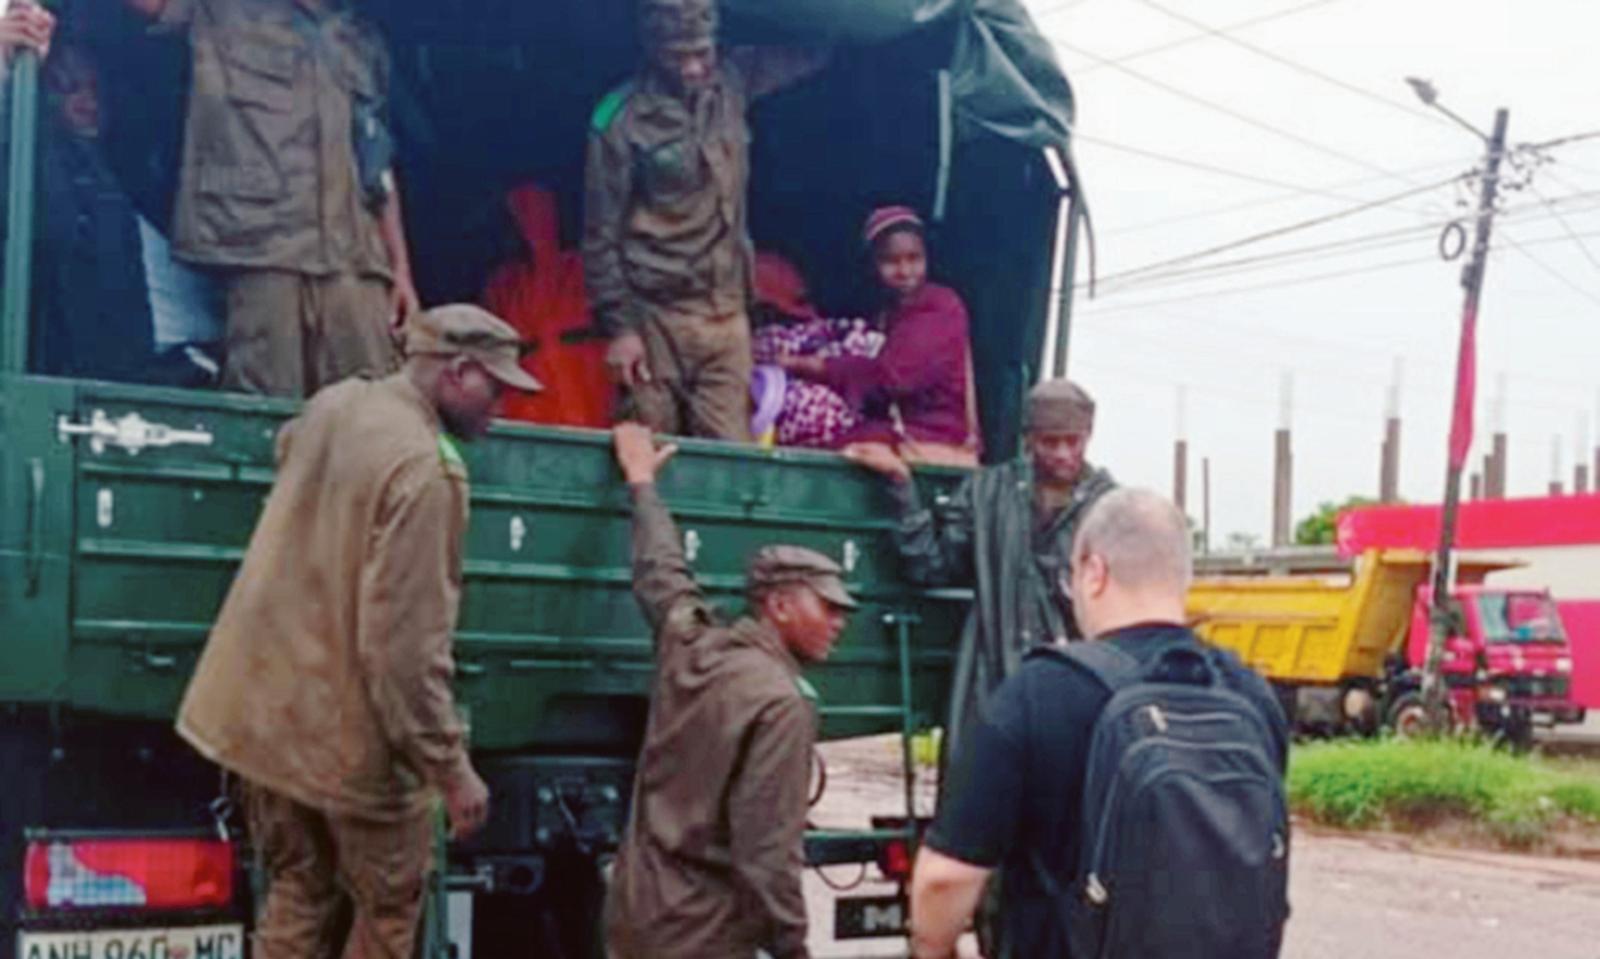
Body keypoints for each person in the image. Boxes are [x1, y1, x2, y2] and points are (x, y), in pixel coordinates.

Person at [175, 305, 540, 958]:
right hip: (348, 743)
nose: (502, 407)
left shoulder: (337, 404)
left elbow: (289, 448)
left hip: (266, 717)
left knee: (298, 888)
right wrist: (452, 770)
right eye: (496, 386)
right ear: (457, 372)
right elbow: (405, 653)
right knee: (388, 910)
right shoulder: (429, 471)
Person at [908, 489, 1290, 959]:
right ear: (1182, 578)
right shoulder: (1249, 695)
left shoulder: (1038, 692)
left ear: (1093, 572)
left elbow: (946, 879)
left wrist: (933, 949)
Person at [605, 421, 857, 959]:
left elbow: (661, 574)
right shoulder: (782, 703)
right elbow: (766, 851)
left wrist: (642, 484)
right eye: (828, 607)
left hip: (636, 916)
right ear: (780, 606)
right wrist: (793, 947)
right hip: (706, 936)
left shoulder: (693, 646)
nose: (840, 622)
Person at [126, 0, 420, 398]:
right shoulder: (221, 10)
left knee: (372, 414)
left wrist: (400, 270)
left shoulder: (360, 38)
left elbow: (378, 162)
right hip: (262, 252)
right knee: (268, 416)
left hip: (356, 261)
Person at [583, 0, 827, 441]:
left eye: (703, 53)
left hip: (725, 316)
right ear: (652, 49)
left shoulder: (734, 80)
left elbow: (817, 47)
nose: (694, 68)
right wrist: (620, 330)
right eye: (678, 56)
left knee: (729, 466)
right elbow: (599, 236)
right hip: (654, 318)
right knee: (650, 452)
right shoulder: (620, 119)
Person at [846, 378, 1116, 760]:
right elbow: (932, 566)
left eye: (1072, 442)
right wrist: (902, 487)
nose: (1061, 453)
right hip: (990, 687)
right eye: (1048, 442)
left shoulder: (1112, 510)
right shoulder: (987, 493)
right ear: (1027, 439)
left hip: (1072, 690)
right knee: (976, 806)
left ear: (1088, 437)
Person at [778, 206, 978, 465]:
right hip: (897, 432)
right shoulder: (887, 311)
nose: (905, 272)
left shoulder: (941, 307)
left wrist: (813, 366)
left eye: (914, 259)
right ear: (873, 264)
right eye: (891, 262)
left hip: (932, 439)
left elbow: (892, 378)